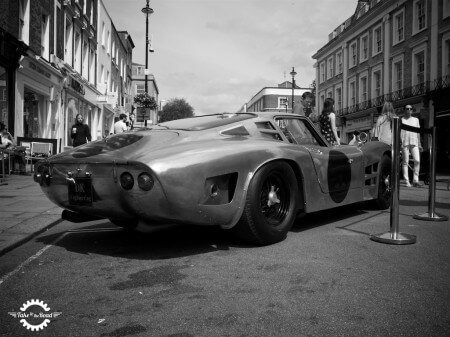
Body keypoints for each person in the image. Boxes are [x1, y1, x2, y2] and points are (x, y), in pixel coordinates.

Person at [401, 105, 422, 187]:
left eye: (410, 109)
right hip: (404, 142)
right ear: (404, 110)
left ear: (412, 111)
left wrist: (419, 143)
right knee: (405, 162)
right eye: (407, 109)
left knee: (417, 160)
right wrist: (399, 143)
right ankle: (406, 181)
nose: (409, 110)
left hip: (414, 141)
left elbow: (418, 132)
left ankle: (415, 180)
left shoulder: (416, 120)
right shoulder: (401, 120)